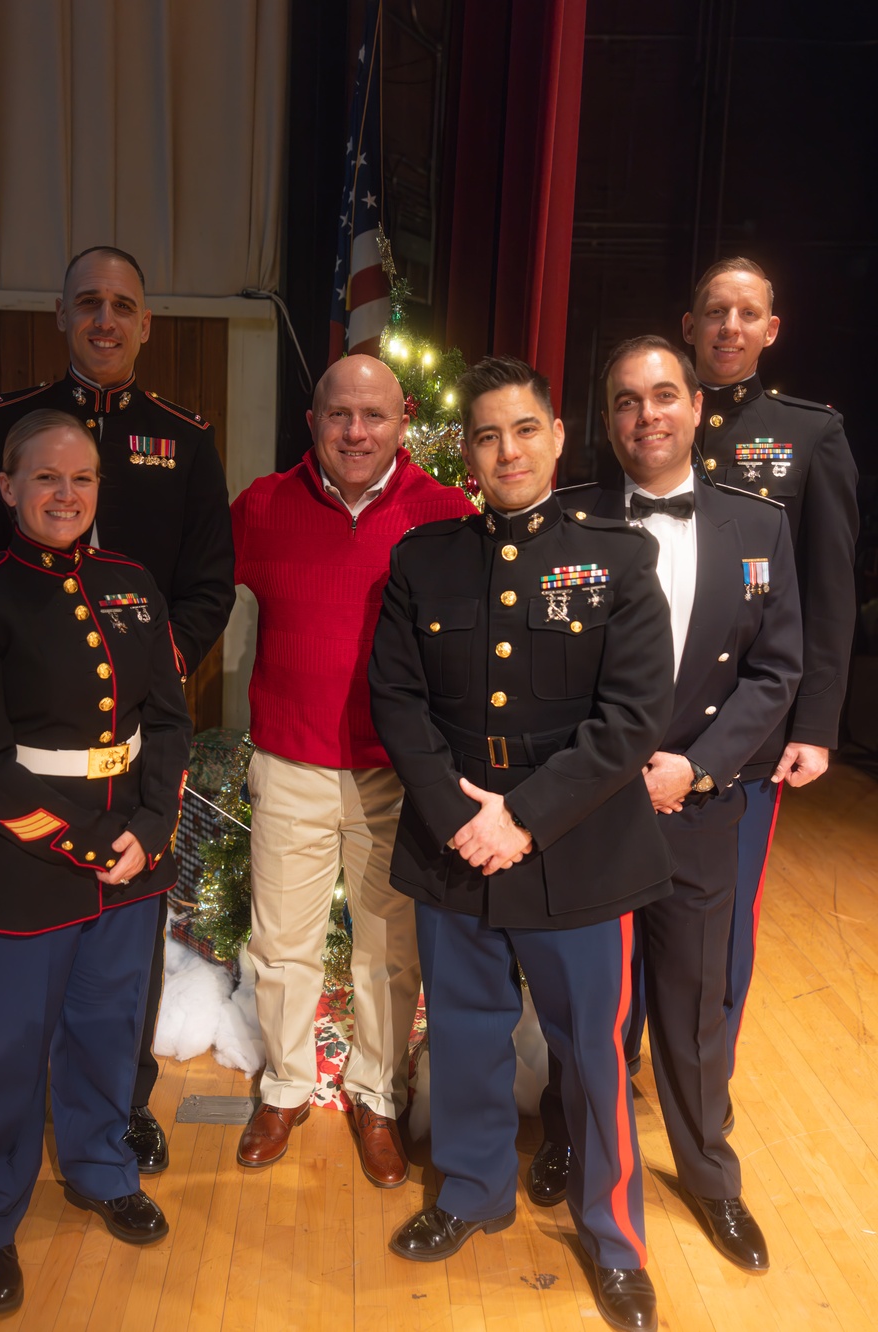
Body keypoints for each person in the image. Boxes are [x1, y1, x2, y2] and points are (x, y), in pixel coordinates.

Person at [0, 245, 234, 1216]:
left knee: (112, 987)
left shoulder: (182, 438)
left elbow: (206, 585)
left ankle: (113, 1125)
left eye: (123, 304)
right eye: (88, 302)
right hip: (21, 755)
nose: (105, 319)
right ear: (61, 314)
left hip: (129, 746)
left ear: (147, 322)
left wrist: (148, 676)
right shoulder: (1, 425)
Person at [369, 354, 677, 1332]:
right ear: (465, 452)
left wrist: (522, 816)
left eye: (524, 429)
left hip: (574, 848)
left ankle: (612, 1233)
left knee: (590, 1054)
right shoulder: (425, 560)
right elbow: (397, 698)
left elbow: (631, 719)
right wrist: (463, 817)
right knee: (462, 1035)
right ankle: (469, 1192)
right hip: (454, 843)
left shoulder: (617, 558)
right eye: (487, 434)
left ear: (555, 435)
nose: (507, 449)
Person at [529, 338, 801, 1276]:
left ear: (694, 407)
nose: (647, 416)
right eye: (625, 402)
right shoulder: (567, 520)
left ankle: (709, 1175)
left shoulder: (759, 526)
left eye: (663, 397)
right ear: (605, 421)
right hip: (595, 809)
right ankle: (569, 1137)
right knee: (586, 999)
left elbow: (775, 672)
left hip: (699, 802)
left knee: (693, 1001)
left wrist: (698, 767)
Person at [0, 410, 192, 1313]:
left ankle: (98, 1167)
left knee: (107, 1034)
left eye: (81, 480)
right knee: (2, 1057)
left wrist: (151, 828)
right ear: (9, 489)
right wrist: (86, 843)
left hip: (131, 859)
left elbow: (169, 719)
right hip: (19, 866)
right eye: (46, 478)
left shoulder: (131, 584)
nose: (65, 495)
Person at [231, 354, 473, 1188]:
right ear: (314, 421)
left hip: (397, 774)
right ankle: (288, 1085)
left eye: (373, 415)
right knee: (280, 945)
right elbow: (191, 596)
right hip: (290, 760)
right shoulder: (262, 507)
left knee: (387, 951)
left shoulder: (445, 513)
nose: (357, 432)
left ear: (404, 420)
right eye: (340, 415)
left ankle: (377, 1094)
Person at [682, 259, 858, 1075]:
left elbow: (830, 589)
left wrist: (815, 727)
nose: (729, 327)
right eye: (715, 312)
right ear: (689, 326)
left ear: (771, 330)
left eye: (746, 313)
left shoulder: (809, 432)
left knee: (726, 915)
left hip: (751, 723)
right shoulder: (657, 418)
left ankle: (707, 1076)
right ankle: (624, 1062)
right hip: (650, 711)